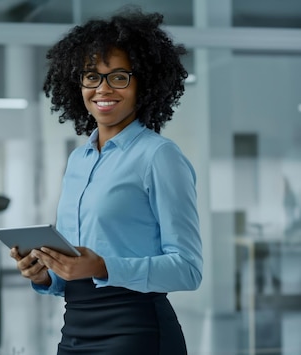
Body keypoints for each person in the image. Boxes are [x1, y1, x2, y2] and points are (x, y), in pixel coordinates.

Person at [10, 7, 203, 355]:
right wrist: (43, 274)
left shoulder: (159, 156)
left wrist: (102, 265)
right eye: (91, 76)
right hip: (75, 331)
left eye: (118, 77)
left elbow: (187, 269)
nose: (103, 89)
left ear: (143, 82)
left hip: (137, 333)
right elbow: (75, 268)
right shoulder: (78, 161)